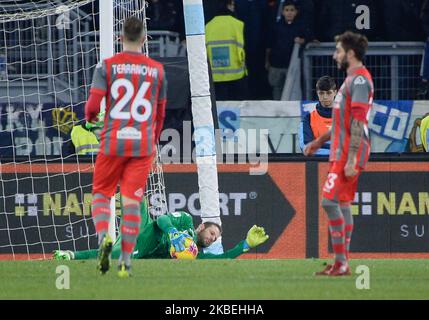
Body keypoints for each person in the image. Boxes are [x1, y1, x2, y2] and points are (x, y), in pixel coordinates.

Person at [85, 16, 168, 278]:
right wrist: (151, 141)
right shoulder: (157, 70)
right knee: (132, 202)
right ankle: (125, 261)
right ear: (144, 39)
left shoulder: (106, 67)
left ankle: (103, 240)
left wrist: (90, 120)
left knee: (101, 193)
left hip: (113, 141)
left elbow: (91, 107)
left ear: (120, 38)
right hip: (142, 145)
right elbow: (161, 114)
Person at [304, 31, 374, 276]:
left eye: (339, 51)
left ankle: (341, 262)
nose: (335, 55)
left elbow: (357, 122)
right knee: (342, 203)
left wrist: (353, 157)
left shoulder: (360, 81)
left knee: (328, 201)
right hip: (341, 149)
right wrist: (317, 142)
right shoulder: (350, 80)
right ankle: (340, 263)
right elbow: (340, 123)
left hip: (349, 151)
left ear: (350, 53)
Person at [52, 200, 269, 261]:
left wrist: (246, 245)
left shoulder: (193, 256)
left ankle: (70, 255)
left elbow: (224, 259)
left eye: (215, 239)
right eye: (212, 233)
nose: (212, 239)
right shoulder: (185, 220)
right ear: (201, 227)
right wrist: (174, 233)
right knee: (137, 200)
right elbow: (162, 220)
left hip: (141, 248)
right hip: (147, 232)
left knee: (118, 255)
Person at [206, 0, 248, 100]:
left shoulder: (207, 26)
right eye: (232, 4)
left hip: (215, 77)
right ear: (228, 5)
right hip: (236, 76)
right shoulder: (238, 24)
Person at [265, 1, 306, 100]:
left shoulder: (300, 27)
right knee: (277, 89)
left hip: (291, 66)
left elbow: (308, 38)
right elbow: (269, 46)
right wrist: (266, 61)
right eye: (287, 10)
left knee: (292, 90)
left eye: (292, 10)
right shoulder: (275, 26)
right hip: (276, 65)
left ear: (296, 12)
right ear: (282, 12)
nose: (289, 13)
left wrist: (302, 40)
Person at [299, 76, 336, 156]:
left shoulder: (346, 118)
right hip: (316, 166)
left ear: (335, 92)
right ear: (317, 93)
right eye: (321, 93)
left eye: (329, 93)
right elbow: (306, 147)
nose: (325, 97)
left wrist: (317, 145)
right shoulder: (308, 118)